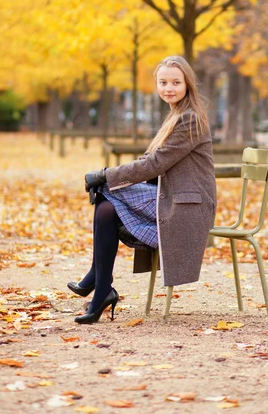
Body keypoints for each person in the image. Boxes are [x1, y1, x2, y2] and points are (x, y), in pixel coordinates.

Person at [68, 55, 217, 324]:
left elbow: (155, 164)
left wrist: (104, 175)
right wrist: (106, 178)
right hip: (172, 197)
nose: (168, 88)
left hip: (186, 208)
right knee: (106, 203)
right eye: (163, 82)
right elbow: (151, 161)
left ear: (188, 84)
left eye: (175, 82)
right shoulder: (178, 115)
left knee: (106, 193)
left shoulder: (190, 120)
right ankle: (101, 288)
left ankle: (99, 283)